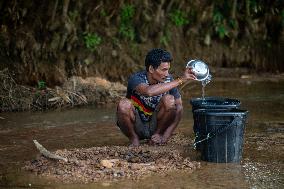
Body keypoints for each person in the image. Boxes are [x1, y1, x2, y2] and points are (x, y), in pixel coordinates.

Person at [116, 48, 196, 146]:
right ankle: (134, 139)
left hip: (157, 125)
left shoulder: (169, 80)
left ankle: (157, 135)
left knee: (170, 100)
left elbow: (179, 108)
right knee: (123, 104)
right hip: (136, 125)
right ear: (151, 69)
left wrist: (165, 136)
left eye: (168, 70)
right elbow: (148, 92)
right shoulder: (136, 79)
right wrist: (181, 80)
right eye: (164, 70)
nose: (167, 74)